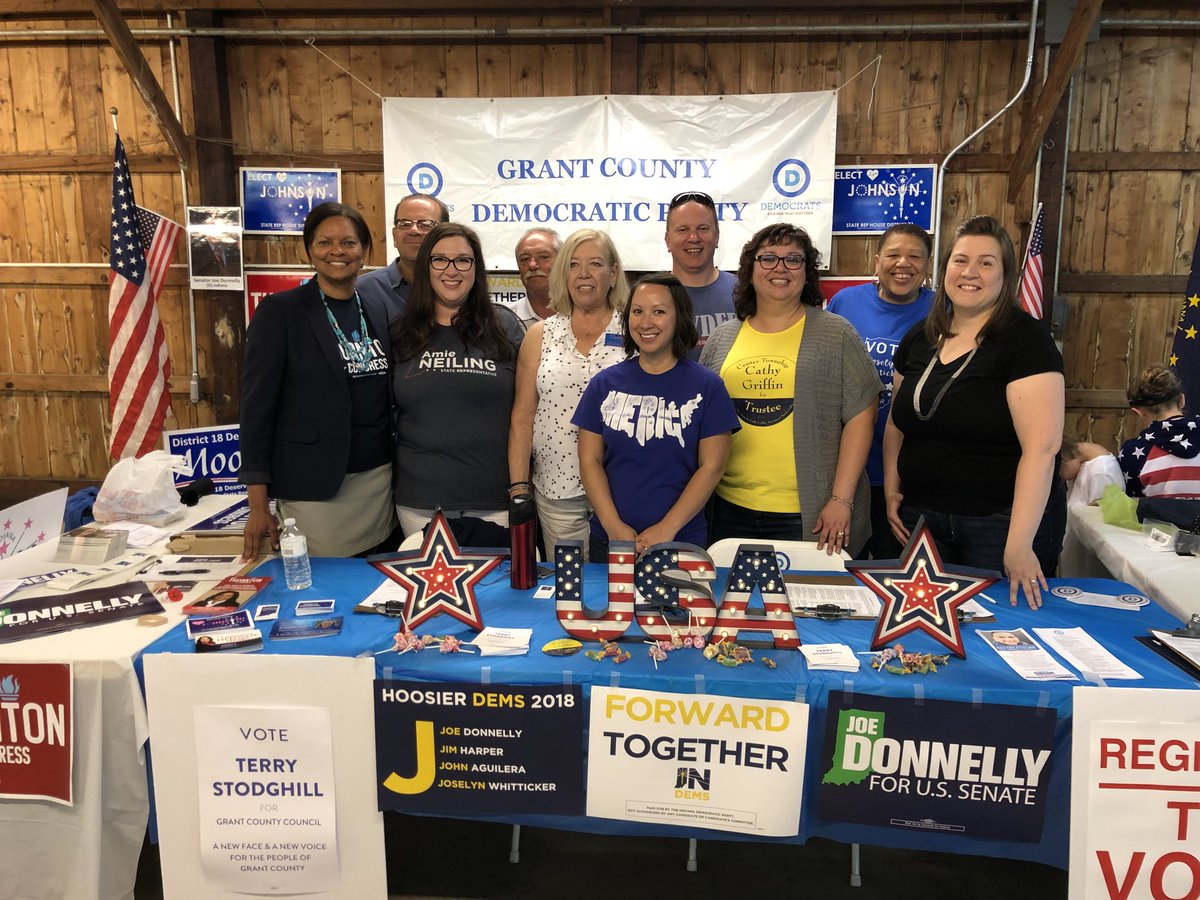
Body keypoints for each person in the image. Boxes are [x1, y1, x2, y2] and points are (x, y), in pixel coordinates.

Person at [883, 215, 1064, 609]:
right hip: (924, 517)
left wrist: (1019, 543)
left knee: (1003, 635)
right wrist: (893, 486)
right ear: (944, 268)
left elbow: (1042, 448)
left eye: (986, 262)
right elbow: (898, 423)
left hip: (998, 523)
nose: (970, 272)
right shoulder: (920, 338)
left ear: (1005, 274)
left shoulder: (1026, 341)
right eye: (960, 260)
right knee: (927, 637)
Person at [700, 223, 880, 556]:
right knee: (735, 605)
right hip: (728, 507)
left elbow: (861, 416)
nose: (780, 267)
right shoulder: (722, 338)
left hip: (809, 513)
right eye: (768, 258)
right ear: (750, 269)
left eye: (793, 259)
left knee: (808, 605)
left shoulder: (836, 333)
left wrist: (841, 499)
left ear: (807, 272)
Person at [239, 202, 394, 559]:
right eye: (325, 242)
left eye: (349, 243)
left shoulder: (375, 308)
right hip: (315, 487)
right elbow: (257, 410)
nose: (337, 251)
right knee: (325, 589)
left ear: (365, 251)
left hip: (378, 480)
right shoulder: (281, 312)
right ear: (309, 250)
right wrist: (258, 504)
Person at [573, 273, 739, 558]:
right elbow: (590, 460)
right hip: (609, 540)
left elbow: (711, 467)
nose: (646, 322)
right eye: (637, 311)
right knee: (607, 605)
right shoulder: (604, 383)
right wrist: (613, 527)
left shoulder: (708, 386)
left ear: (680, 318)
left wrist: (666, 528)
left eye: (659, 312)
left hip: (679, 540)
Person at [391, 223, 526, 537]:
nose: (451, 270)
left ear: (476, 268)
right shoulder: (401, 331)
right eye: (440, 259)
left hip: (495, 497)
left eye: (463, 260)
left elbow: (526, 412)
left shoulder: (505, 326)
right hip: (421, 500)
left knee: (496, 586)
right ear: (426, 267)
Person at [508, 229, 630, 560]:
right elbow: (523, 415)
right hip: (556, 489)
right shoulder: (540, 335)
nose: (584, 274)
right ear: (563, 274)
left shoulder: (635, 330)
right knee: (568, 588)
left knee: (619, 585)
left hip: (622, 488)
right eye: (574, 265)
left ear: (614, 272)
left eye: (595, 263)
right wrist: (519, 486)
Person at [826, 224, 936, 558]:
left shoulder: (942, 311)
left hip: (907, 477)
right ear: (877, 261)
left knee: (897, 574)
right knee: (843, 569)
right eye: (893, 254)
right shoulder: (846, 302)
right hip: (848, 472)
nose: (903, 263)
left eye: (915, 256)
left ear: (928, 265)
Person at [356, 193, 450, 322]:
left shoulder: (457, 287)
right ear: (394, 236)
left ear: (445, 235)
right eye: (405, 224)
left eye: (425, 224)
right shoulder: (364, 290)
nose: (414, 231)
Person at [664, 190, 736, 355]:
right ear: (668, 240)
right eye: (683, 230)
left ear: (716, 237)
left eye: (703, 228)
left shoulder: (744, 291)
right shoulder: (650, 296)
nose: (693, 237)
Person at [1119, 365, 1200, 498]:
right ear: (1182, 400)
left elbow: (1132, 505)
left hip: (1159, 519)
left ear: (1138, 412)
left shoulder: (1132, 451)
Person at [504, 228, 560, 326]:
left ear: (562, 262)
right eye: (525, 259)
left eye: (543, 257)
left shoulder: (585, 316)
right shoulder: (503, 322)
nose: (532, 265)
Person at [1060, 435, 1122, 506]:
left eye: (1059, 471)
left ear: (1065, 459)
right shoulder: (1084, 463)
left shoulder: (1101, 473)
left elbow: (1098, 513)